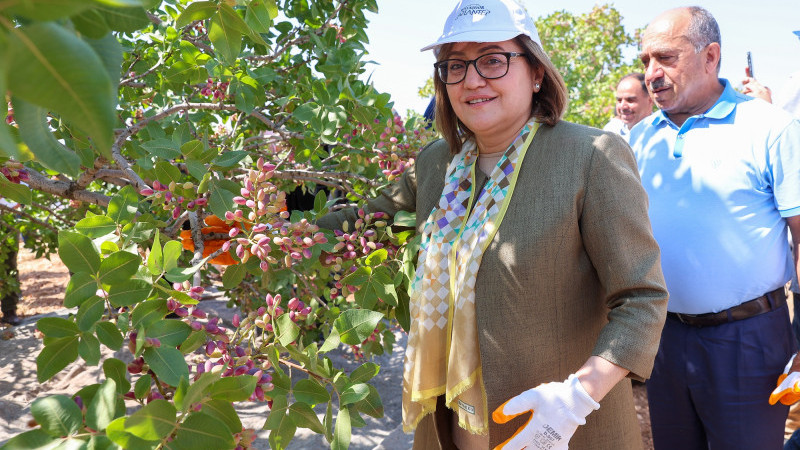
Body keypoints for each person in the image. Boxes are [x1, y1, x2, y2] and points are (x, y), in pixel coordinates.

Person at [317, 1, 668, 448]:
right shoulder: (435, 164)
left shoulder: (590, 156)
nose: (472, 79)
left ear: (536, 71)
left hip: (557, 429)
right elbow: (361, 224)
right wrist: (264, 231)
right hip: (455, 428)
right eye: (455, 65)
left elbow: (642, 298)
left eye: (493, 59)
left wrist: (578, 396)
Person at [629, 7, 800, 449]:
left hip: (750, 342)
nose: (652, 73)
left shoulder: (771, 129)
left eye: (666, 57)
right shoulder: (641, 137)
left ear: (711, 56)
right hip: (665, 339)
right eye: (646, 60)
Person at [602, 73, 654, 141]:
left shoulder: (663, 133)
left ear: (650, 100)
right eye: (619, 100)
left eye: (630, 100)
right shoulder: (610, 131)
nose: (623, 107)